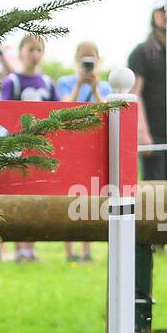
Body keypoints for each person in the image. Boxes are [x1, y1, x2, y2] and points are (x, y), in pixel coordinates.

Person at [0, 33, 57, 262]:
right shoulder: (12, 82)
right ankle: (18, 248)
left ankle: (31, 248)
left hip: (40, 150)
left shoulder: (48, 83)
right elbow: (3, 114)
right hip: (16, 149)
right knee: (17, 196)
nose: (35, 55)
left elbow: (55, 114)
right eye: (31, 49)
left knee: (36, 196)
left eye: (39, 50)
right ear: (21, 51)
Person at [56, 41, 113, 262]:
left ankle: (87, 250)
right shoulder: (65, 82)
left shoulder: (105, 86)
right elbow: (63, 109)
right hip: (70, 145)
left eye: (91, 59)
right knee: (67, 196)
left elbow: (106, 112)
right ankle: (70, 252)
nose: (88, 64)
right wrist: (79, 85)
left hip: (92, 146)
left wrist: (95, 87)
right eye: (83, 59)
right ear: (76, 60)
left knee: (89, 196)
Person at [129, 0, 167, 181]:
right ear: (154, 15)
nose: (166, 15)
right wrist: (142, 132)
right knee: (154, 188)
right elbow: (135, 92)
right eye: (161, 10)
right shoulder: (142, 52)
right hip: (152, 131)